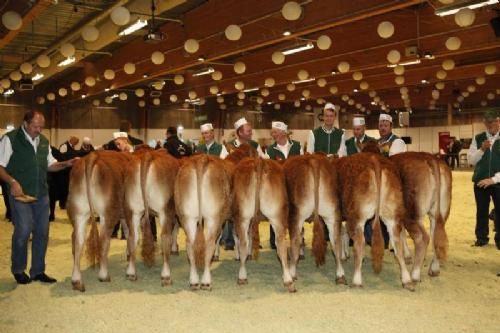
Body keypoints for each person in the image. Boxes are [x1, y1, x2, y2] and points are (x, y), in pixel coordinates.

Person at [0, 110, 78, 284]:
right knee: (24, 230)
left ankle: (38, 271)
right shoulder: (10, 139)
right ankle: (18, 269)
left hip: (42, 194)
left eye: (41, 127)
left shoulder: (43, 141)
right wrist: (12, 182)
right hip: (21, 195)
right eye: (36, 126)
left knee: (42, 232)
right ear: (26, 123)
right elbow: (0, 166)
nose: (39, 130)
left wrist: (66, 163)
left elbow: (50, 165)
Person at [265, 121, 303, 248]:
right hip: (277, 187)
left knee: (296, 211)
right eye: (272, 132)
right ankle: (274, 240)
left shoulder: (297, 146)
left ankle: (298, 238)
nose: (273, 134)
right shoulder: (270, 150)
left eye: (275, 132)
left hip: (295, 185)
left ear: (283, 133)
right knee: (275, 211)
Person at [467, 109, 500, 249]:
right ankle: (481, 238)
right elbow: (471, 160)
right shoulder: (478, 138)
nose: (489, 124)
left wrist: (494, 179)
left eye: (492, 121)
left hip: (498, 182)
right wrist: (481, 150)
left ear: (498, 121)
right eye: (487, 122)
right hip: (480, 181)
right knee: (481, 211)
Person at [57, 136, 80, 209]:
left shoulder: (72, 147)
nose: (76, 144)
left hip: (69, 170)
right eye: (76, 142)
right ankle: (62, 204)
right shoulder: (64, 146)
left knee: (68, 187)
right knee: (63, 187)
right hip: (63, 170)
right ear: (72, 140)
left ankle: (66, 203)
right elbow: (61, 156)